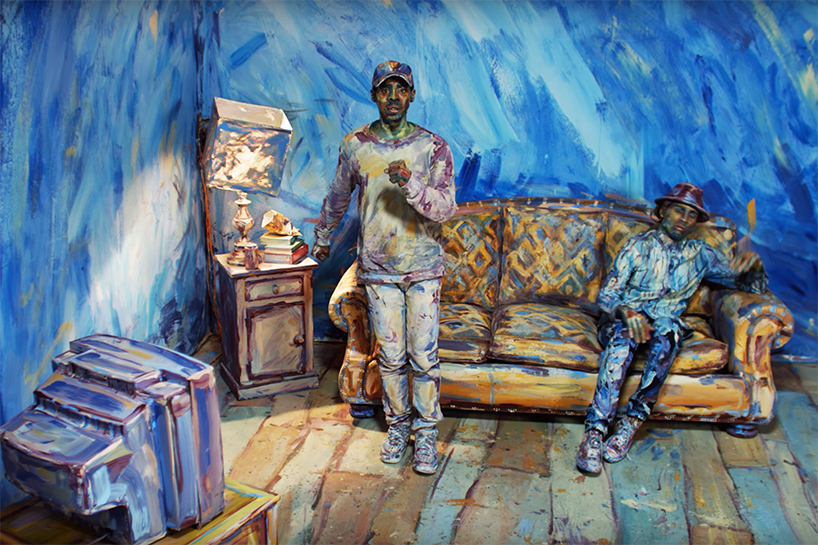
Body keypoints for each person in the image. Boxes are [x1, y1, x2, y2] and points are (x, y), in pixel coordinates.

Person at [313, 60, 456, 474]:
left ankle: (425, 433)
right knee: (391, 357)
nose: (393, 97)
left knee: (423, 357)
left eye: (401, 89)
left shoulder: (433, 147)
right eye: (385, 90)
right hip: (378, 269)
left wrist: (411, 183)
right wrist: (322, 236)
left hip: (424, 268)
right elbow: (338, 195)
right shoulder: (355, 145)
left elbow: (445, 208)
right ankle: (398, 426)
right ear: (374, 95)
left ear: (411, 95)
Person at [576, 182, 767, 474]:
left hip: (665, 323)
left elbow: (748, 285)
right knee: (623, 342)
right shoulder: (638, 246)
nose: (684, 219)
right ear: (663, 211)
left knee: (668, 332)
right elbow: (606, 295)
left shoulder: (701, 254)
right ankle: (594, 433)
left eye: (691, 215)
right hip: (624, 320)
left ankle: (630, 424)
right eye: (679, 210)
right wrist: (626, 311)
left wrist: (754, 267)